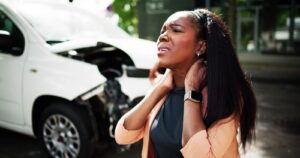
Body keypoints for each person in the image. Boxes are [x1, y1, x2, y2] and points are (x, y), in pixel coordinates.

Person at [115, 8, 256, 158]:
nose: (163, 36)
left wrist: (192, 89)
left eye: (176, 30)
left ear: (200, 46)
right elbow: (123, 136)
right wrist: (160, 88)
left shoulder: (222, 94)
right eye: (162, 31)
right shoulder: (163, 90)